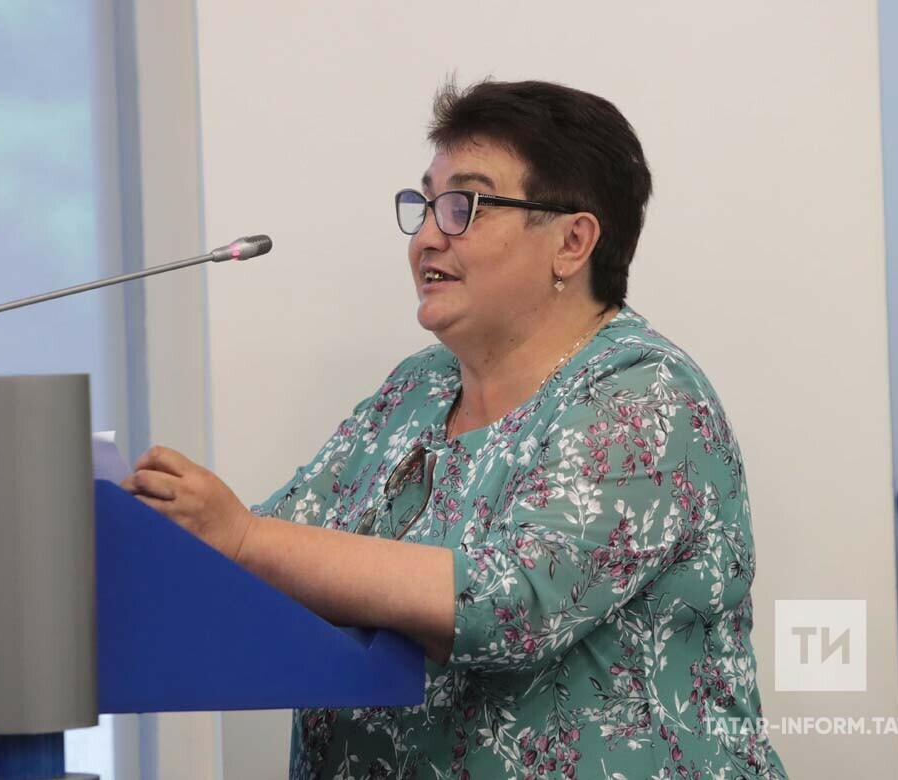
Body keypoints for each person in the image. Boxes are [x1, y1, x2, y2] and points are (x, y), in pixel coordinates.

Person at [121, 79, 787, 780]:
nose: (428, 237)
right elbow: (281, 547)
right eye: (426, 203)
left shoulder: (643, 394)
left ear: (572, 241)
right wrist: (164, 529)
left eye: (464, 205)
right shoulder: (419, 387)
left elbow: (514, 603)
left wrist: (244, 539)